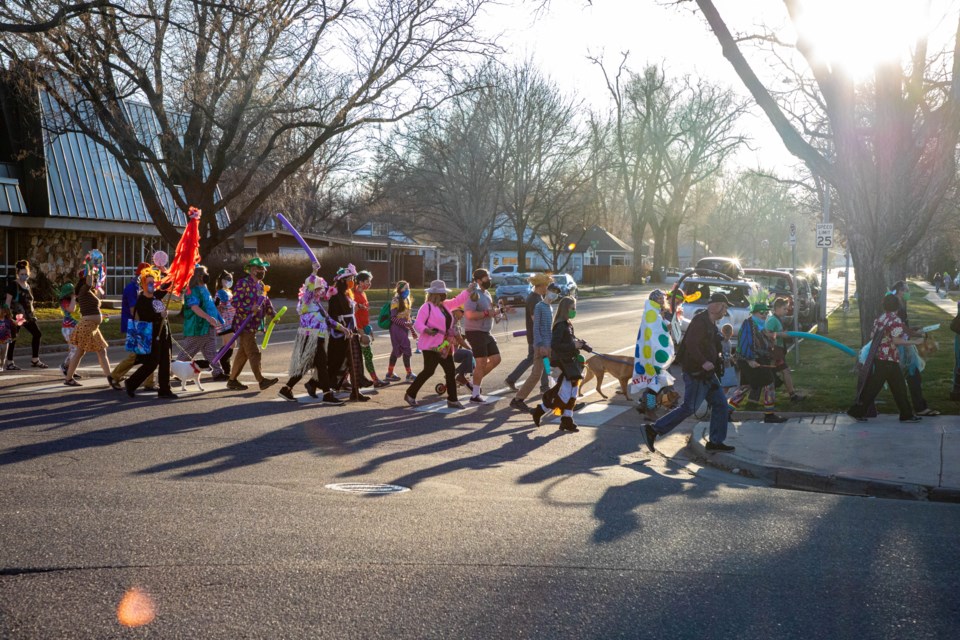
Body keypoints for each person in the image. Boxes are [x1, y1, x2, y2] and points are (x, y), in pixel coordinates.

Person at [640, 292, 734, 453]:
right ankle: (653, 427)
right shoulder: (700, 322)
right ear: (714, 306)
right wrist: (703, 361)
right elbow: (690, 343)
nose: (725, 311)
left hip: (708, 376)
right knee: (688, 407)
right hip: (694, 373)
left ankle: (716, 441)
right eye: (724, 307)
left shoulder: (710, 323)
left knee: (721, 405)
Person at [848, 293, 922, 422]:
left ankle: (906, 414)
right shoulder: (896, 320)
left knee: (894, 387)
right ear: (897, 306)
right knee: (880, 387)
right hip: (889, 358)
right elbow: (896, 340)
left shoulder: (881, 318)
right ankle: (857, 411)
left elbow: (872, 335)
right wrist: (915, 342)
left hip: (880, 357)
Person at [278, 269, 344, 405]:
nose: (320, 291)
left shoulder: (316, 303)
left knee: (309, 365)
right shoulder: (305, 303)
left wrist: (342, 328)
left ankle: (286, 389)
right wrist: (314, 271)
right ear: (310, 289)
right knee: (320, 366)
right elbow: (310, 284)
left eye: (321, 289)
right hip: (310, 339)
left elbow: (328, 320)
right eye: (317, 289)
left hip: (317, 338)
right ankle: (327, 395)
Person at [404, 280, 464, 409]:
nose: (445, 296)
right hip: (431, 346)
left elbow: (458, 301)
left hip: (445, 344)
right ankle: (410, 394)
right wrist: (427, 330)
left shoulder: (445, 306)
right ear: (436, 294)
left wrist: (469, 291)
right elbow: (418, 323)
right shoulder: (427, 307)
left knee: (450, 370)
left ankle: (453, 400)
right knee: (429, 370)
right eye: (443, 293)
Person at [64, 256, 121, 389]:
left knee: (93, 352)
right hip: (88, 326)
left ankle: (109, 378)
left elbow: (92, 308)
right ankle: (109, 379)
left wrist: (100, 314)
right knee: (90, 352)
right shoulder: (84, 289)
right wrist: (91, 265)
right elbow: (89, 280)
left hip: (91, 326)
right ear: (85, 279)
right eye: (92, 277)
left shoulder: (88, 292)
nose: (95, 279)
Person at [530, 296, 584, 432]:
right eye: (572, 308)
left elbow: (570, 341)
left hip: (570, 363)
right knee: (562, 395)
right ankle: (540, 410)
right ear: (565, 309)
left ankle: (567, 419)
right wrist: (573, 345)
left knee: (573, 392)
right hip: (562, 364)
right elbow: (556, 345)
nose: (574, 311)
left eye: (575, 308)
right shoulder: (560, 326)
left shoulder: (568, 324)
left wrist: (580, 344)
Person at [728, 302, 787, 423]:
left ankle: (725, 412)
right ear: (754, 313)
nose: (764, 315)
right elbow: (744, 343)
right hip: (750, 360)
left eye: (766, 312)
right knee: (769, 383)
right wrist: (750, 360)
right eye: (762, 312)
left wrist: (771, 344)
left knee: (746, 387)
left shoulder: (760, 325)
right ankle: (769, 415)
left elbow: (764, 343)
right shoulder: (748, 324)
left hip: (757, 360)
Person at [123, 267, 176, 398]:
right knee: (152, 363)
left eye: (153, 282)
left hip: (163, 333)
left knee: (165, 361)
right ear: (143, 284)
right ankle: (131, 383)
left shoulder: (156, 296)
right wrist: (160, 315)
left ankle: (164, 389)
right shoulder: (142, 300)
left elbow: (169, 283)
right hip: (152, 336)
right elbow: (146, 317)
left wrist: (170, 273)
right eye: (149, 283)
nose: (152, 285)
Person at [226, 257, 278, 391]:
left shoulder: (261, 285)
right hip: (244, 324)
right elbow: (235, 302)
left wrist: (273, 314)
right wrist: (250, 308)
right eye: (260, 269)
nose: (263, 272)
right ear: (252, 270)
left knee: (243, 353)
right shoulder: (242, 283)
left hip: (254, 324)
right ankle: (261, 380)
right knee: (254, 352)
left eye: (264, 269)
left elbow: (265, 302)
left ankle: (232, 380)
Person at [890, 281, 939, 416]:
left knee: (907, 376)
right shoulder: (896, 305)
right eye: (906, 290)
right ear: (900, 291)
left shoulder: (898, 303)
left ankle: (861, 408)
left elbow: (902, 326)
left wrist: (914, 329)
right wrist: (916, 334)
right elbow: (899, 326)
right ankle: (919, 408)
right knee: (912, 375)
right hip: (899, 347)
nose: (908, 293)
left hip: (900, 344)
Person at [510, 280, 560, 413]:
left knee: (548, 372)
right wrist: (540, 345)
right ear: (547, 291)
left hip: (548, 347)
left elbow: (548, 329)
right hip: (541, 347)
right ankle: (518, 400)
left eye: (556, 293)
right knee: (537, 374)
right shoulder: (539, 306)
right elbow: (536, 327)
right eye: (553, 291)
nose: (554, 294)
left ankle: (552, 398)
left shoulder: (549, 308)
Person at [109, 262, 157, 389]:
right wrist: (141, 328)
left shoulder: (139, 286)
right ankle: (114, 376)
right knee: (136, 355)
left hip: (142, 325)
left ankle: (149, 382)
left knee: (149, 354)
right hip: (137, 325)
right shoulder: (132, 288)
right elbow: (133, 310)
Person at [175, 265, 226, 381]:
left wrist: (216, 312)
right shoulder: (191, 291)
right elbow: (194, 308)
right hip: (196, 327)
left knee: (211, 352)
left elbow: (208, 305)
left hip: (208, 326)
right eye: (205, 273)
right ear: (198, 276)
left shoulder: (204, 288)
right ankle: (177, 371)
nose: (207, 275)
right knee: (189, 351)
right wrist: (208, 318)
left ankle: (218, 372)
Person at [326, 264, 368, 402]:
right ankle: (327, 391)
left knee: (355, 362)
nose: (352, 281)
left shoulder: (347, 295)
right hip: (340, 335)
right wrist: (343, 328)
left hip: (352, 332)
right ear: (343, 280)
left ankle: (356, 391)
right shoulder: (335, 296)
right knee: (336, 363)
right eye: (350, 278)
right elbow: (332, 317)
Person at [505, 274, 551, 394]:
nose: (547, 288)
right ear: (540, 285)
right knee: (543, 359)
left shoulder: (538, 297)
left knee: (535, 359)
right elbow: (535, 320)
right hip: (537, 337)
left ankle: (512, 379)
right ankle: (544, 387)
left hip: (538, 337)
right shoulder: (534, 299)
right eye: (546, 285)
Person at [463, 268, 504, 403]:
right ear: (479, 280)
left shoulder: (486, 293)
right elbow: (469, 314)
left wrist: (500, 311)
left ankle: (473, 381)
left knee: (496, 359)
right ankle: (475, 394)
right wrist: (487, 313)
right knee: (480, 362)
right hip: (475, 332)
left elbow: (491, 312)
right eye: (487, 278)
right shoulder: (473, 294)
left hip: (486, 332)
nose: (489, 280)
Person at [3, 259, 46, 370]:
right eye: (22, 274)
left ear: (29, 273)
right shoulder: (14, 285)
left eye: (26, 274)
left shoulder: (27, 285)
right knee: (13, 338)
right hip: (18, 316)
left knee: (37, 334)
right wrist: (8, 317)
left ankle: (35, 359)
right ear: (18, 274)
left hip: (29, 316)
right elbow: (7, 302)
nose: (24, 276)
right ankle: (9, 362)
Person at [353, 270, 389, 388]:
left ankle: (373, 380)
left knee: (363, 357)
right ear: (359, 281)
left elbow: (364, 314)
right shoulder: (353, 295)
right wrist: (361, 331)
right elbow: (355, 315)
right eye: (367, 281)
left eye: (370, 282)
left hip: (365, 328)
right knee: (362, 357)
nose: (369, 284)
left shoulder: (363, 293)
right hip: (359, 330)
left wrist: (369, 329)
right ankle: (375, 380)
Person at [766, 297, 802, 402]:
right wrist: (781, 334)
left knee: (773, 374)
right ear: (777, 308)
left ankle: (752, 398)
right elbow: (767, 334)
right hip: (775, 351)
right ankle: (792, 396)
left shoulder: (776, 319)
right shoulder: (772, 320)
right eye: (785, 309)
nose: (787, 311)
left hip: (778, 351)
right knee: (785, 371)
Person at [385, 280, 417, 382]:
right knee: (405, 349)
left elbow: (407, 317)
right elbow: (393, 318)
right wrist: (404, 324)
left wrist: (412, 326)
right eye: (406, 288)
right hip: (396, 329)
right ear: (400, 289)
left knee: (397, 349)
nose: (408, 290)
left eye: (409, 288)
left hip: (404, 328)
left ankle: (390, 373)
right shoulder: (396, 300)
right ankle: (409, 374)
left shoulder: (407, 300)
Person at [56, 283, 81, 380]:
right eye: (72, 292)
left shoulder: (71, 300)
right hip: (68, 328)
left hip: (74, 327)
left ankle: (71, 369)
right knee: (75, 350)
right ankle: (65, 366)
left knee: (75, 349)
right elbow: (71, 309)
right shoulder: (64, 301)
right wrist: (73, 298)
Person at [214, 270, 236, 377]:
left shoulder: (229, 292)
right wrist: (218, 305)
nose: (229, 281)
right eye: (227, 279)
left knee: (226, 345)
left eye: (231, 279)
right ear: (221, 280)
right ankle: (218, 362)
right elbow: (215, 306)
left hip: (231, 322)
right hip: (224, 322)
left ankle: (225, 369)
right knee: (232, 344)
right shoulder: (220, 292)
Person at [719, 323, 739, 393]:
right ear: (732, 333)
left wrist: (732, 359)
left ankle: (722, 397)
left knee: (725, 385)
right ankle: (722, 398)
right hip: (723, 366)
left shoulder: (728, 342)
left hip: (726, 366)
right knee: (726, 385)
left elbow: (729, 354)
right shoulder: (724, 342)